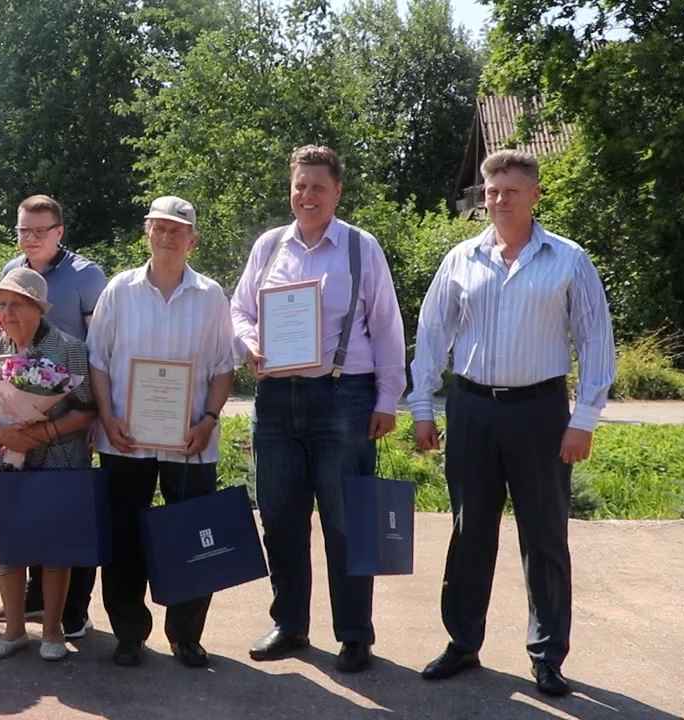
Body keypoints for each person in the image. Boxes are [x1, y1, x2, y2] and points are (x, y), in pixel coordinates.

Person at [410, 150, 615, 697]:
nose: (499, 200)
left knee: (544, 535)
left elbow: (596, 342)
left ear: (535, 196)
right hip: (472, 408)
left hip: (541, 413)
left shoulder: (568, 260)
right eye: (491, 192)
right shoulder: (461, 259)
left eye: (511, 191)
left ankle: (548, 655)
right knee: (468, 529)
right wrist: (423, 407)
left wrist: (585, 419)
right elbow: (432, 333)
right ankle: (462, 643)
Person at [231, 145, 406, 673]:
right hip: (277, 401)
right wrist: (251, 343)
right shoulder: (268, 247)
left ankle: (355, 634)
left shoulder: (360, 247)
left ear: (337, 192)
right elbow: (239, 309)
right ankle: (290, 624)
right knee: (281, 519)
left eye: (318, 187)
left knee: (347, 522)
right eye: (300, 185)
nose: (306, 196)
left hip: (343, 397)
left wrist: (387, 398)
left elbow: (387, 325)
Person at [87, 197, 237, 669]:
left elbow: (222, 368)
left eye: (178, 230)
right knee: (125, 538)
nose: (168, 236)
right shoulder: (119, 290)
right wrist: (107, 417)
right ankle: (129, 634)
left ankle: (186, 635)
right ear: (146, 232)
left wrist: (209, 420)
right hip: (124, 439)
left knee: (193, 540)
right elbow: (98, 361)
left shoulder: (211, 295)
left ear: (192, 239)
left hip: (191, 443)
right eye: (160, 227)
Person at [0, 267, 95, 662]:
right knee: (9, 549)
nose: (8, 313)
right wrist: (0, 436)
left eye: (17, 304)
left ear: (38, 307)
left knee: (54, 549)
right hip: (2, 463)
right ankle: (15, 631)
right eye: (2, 305)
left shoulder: (68, 347)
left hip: (58, 462)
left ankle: (52, 631)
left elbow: (86, 410)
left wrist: (42, 434)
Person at [0, 194, 107, 638]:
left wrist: (97, 413)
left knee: (68, 507)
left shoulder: (88, 275)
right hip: (19, 408)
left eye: (40, 230)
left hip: (71, 410)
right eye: (24, 230)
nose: (31, 238)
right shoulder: (11, 270)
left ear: (60, 231)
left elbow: (100, 347)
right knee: (27, 502)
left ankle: (74, 611)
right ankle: (34, 602)